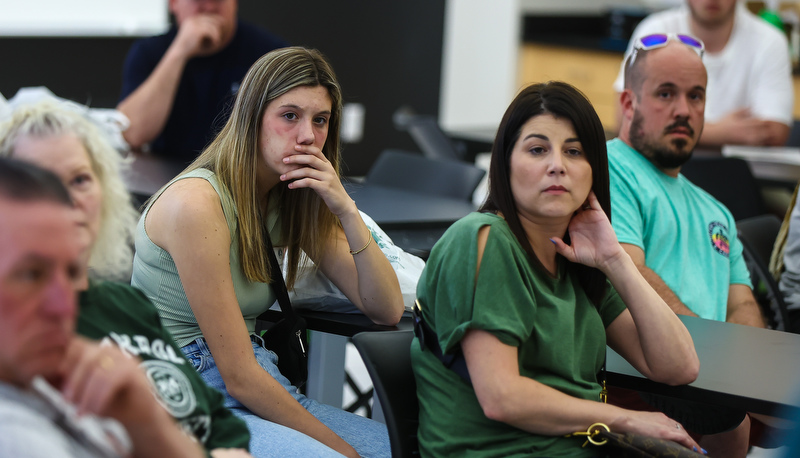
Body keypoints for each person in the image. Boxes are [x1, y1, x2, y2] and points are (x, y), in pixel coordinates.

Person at [132, 46, 404, 458]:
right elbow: (236, 375)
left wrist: (345, 209)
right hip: (185, 395)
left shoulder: (294, 197)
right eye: (289, 116)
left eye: (321, 120)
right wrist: (343, 450)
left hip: (258, 377)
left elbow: (386, 308)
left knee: (402, 449)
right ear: (252, 118)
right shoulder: (197, 203)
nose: (307, 136)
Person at [410, 81, 702, 457]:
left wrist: (615, 260)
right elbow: (502, 397)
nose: (557, 166)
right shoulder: (484, 239)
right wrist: (624, 418)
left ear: (594, 170)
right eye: (537, 150)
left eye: (574, 151)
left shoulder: (579, 261)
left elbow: (678, 367)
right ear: (505, 163)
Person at [0, 102, 255, 457]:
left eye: (80, 180)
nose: (67, 201)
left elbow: (222, 426)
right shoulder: (31, 341)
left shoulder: (127, 303)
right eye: (42, 181)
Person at [609, 34, 767, 457]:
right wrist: (714, 367)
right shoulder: (608, 169)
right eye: (666, 93)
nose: (684, 109)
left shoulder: (717, 210)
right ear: (628, 104)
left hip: (717, 396)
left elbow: (742, 305)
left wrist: (747, 378)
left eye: (696, 96)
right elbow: (629, 275)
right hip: (642, 385)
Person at [0, 157, 205, 458]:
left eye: (72, 272)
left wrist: (145, 417)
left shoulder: (45, 383)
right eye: (31, 274)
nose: (63, 305)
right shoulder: (17, 437)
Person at [118, 0, 287, 162]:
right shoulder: (149, 53)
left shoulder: (269, 55)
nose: (209, 7)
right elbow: (132, 134)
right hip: (167, 178)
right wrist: (180, 51)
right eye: (197, 0)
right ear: (173, 3)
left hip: (242, 175)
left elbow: (286, 133)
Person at [612, 0, 793, 148]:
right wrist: (720, 132)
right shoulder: (654, 31)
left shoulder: (770, 41)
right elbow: (625, 117)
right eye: (665, 94)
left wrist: (669, 129)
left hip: (739, 175)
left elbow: (772, 132)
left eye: (694, 96)